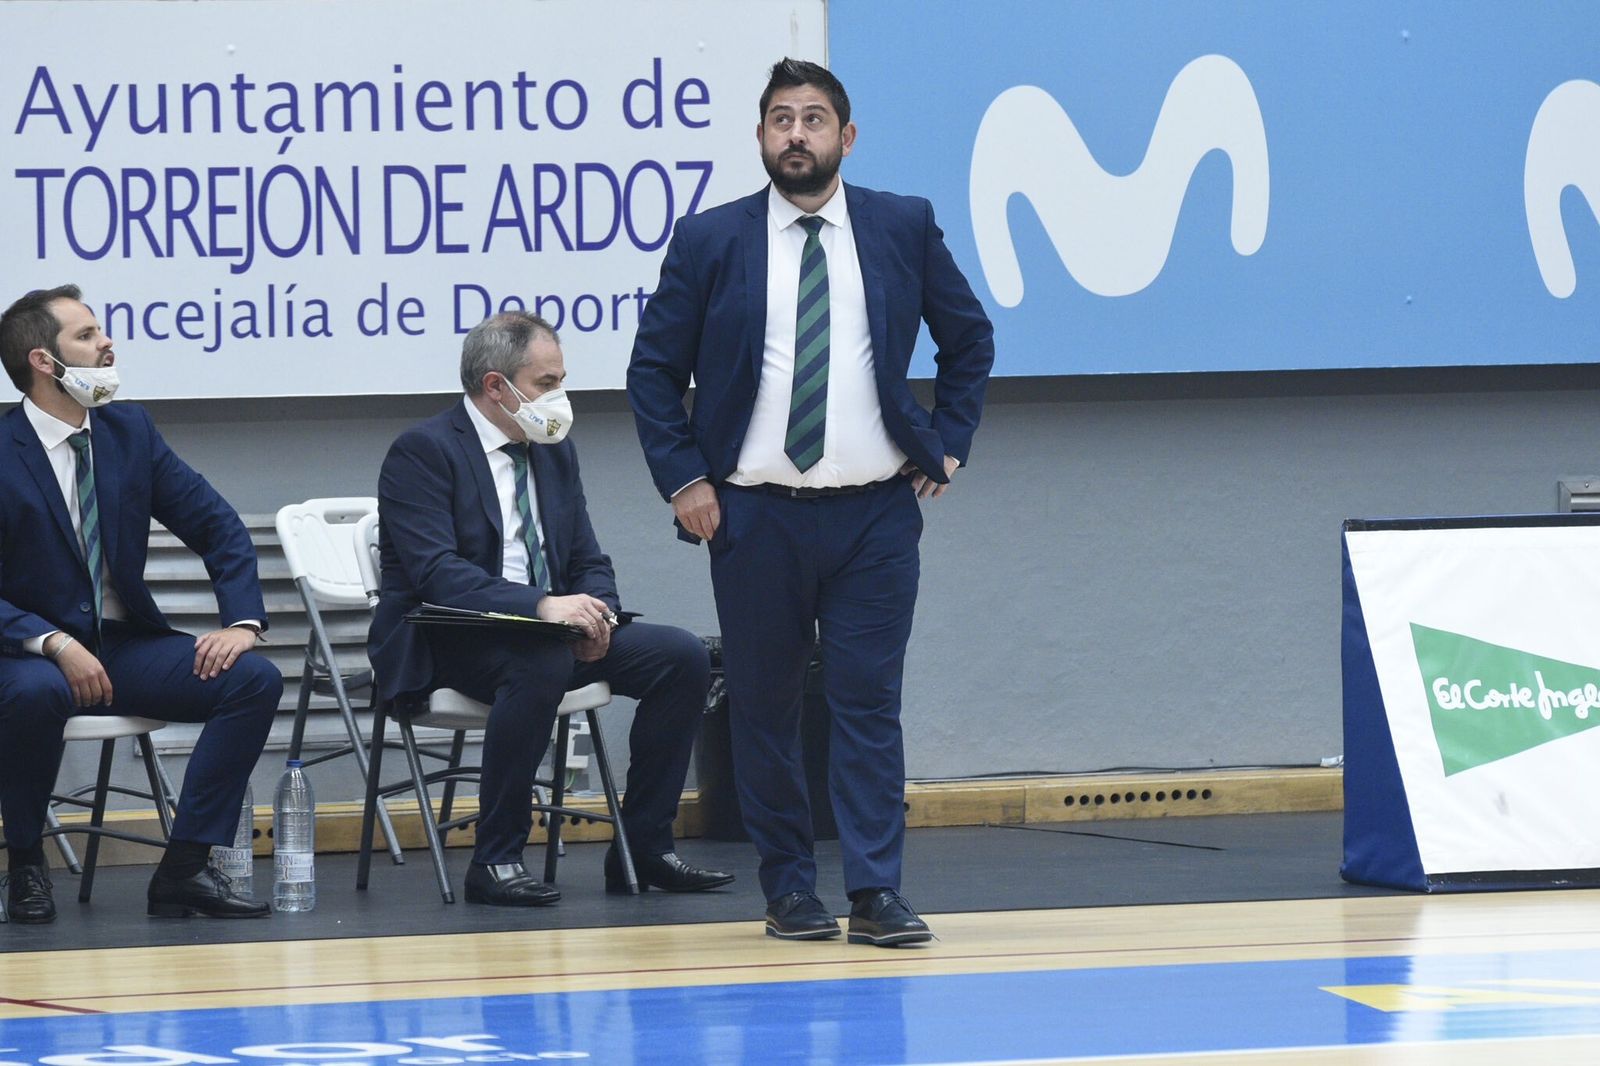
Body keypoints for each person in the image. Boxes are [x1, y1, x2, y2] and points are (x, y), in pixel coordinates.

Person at [627, 59, 995, 945]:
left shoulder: (901, 225)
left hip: (874, 514)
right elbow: (651, 371)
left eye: (814, 119)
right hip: (754, 515)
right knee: (765, 705)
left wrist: (947, 441)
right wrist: (686, 482)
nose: (797, 134)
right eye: (781, 120)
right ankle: (789, 887)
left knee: (869, 701)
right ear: (761, 137)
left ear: (846, 136)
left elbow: (969, 337)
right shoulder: (711, 239)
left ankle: (875, 891)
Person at [368, 311, 732, 906]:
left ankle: (645, 847)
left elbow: (588, 555)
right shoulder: (423, 451)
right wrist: (544, 607)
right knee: (539, 666)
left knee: (682, 656)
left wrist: (599, 616)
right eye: (545, 384)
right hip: (453, 637)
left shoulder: (552, 451)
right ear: (495, 386)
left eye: (561, 381)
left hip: (548, 633)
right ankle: (497, 859)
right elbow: (438, 575)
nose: (558, 397)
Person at [0, 285, 281, 924]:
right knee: (38, 692)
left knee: (252, 679)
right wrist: (53, 642)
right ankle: (24, 864)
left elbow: (218, 526)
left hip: (119, 646)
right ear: (44, 362)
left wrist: (242, 620)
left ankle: (184, 868)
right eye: (88, 335)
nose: (107, 344)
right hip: (23, 653)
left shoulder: (129, 431)